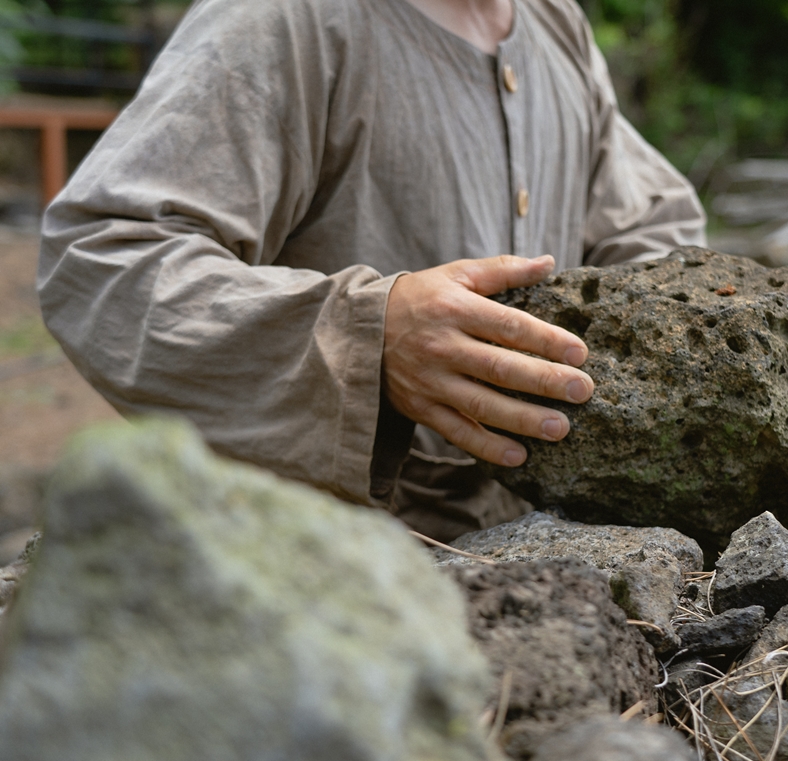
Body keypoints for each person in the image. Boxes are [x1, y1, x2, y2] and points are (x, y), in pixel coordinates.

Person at [37, 0, 706, 540]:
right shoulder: (286, 19)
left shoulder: (556, 22)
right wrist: (370, 338)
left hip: (550, 572)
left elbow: (655, 225)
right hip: (321, 582)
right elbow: (104, 256)